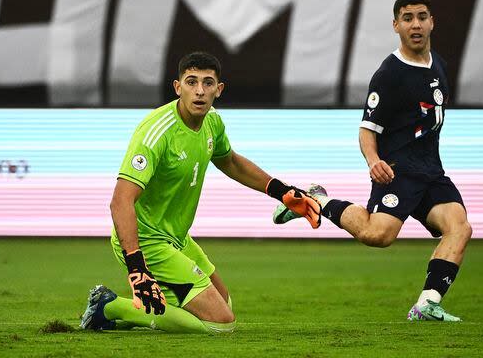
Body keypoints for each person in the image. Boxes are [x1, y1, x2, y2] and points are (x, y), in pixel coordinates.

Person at [80, 51, 320, 334]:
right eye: (191, 82)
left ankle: (147, 311)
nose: (199, 91)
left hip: (177, 239)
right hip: (146, 241)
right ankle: (108, 306)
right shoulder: (156, 132)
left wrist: (281, 191)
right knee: (220, 324)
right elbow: (120, 201)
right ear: (177, 87)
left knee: (224, 303)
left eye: (207, 83)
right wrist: (137, 267)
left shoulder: (212, 122)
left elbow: (230, 161)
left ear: (219, 90)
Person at [274, 0, 471, 322]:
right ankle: (315, 199)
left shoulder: (439, 65)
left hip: (432, 172)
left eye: (422, 16)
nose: (416, 24)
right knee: (377, 235)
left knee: (459, 228)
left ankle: (427, 305)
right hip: (397, 172)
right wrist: (373, 161)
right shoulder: (389, 75)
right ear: (396, 26)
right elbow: (367, 130)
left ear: (432, 22)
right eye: (407, 18)